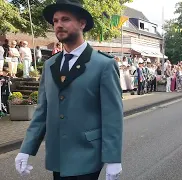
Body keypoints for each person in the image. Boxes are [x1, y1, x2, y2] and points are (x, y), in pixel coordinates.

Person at [14, 0, 123, 180]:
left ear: (82, 23)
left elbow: (112, 115)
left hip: (88, 155)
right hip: (58, 155)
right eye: (55, 21)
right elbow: (42, 112)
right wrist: (26, 149)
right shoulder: (50, 65)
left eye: (65, 19)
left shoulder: (103, 64)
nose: (58, 25)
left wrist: (113, 159)